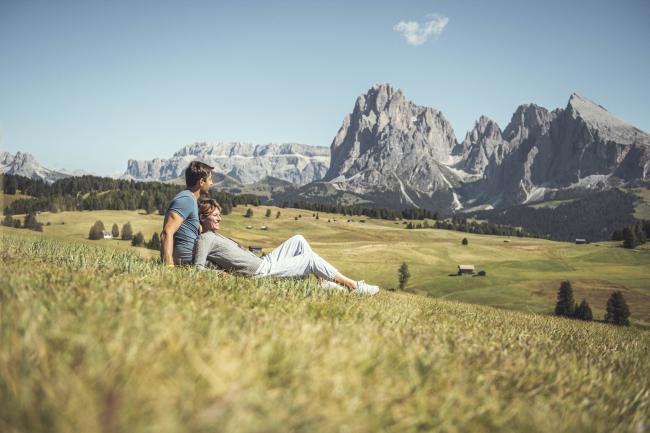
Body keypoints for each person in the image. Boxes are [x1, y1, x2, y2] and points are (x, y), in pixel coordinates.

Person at [194, 199, 380, 295]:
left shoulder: (215, 235)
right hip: (258, 272)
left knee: (298, 239)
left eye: (220, 214)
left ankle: (323, 283)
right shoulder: (205, 239)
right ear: (203, 218)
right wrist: (220, 275)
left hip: (262, 262)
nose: (219, 218)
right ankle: (355, 287)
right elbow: (197, 269)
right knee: (310, 259)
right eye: (215, 215)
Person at [160, 161, 214, 266]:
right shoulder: (186, 199)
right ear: (202, 181)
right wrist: (168, 266)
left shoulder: (191, 199)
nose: (212, 183)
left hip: (193, 259)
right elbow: (167, 232)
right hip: (187, 262)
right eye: (210, 179)